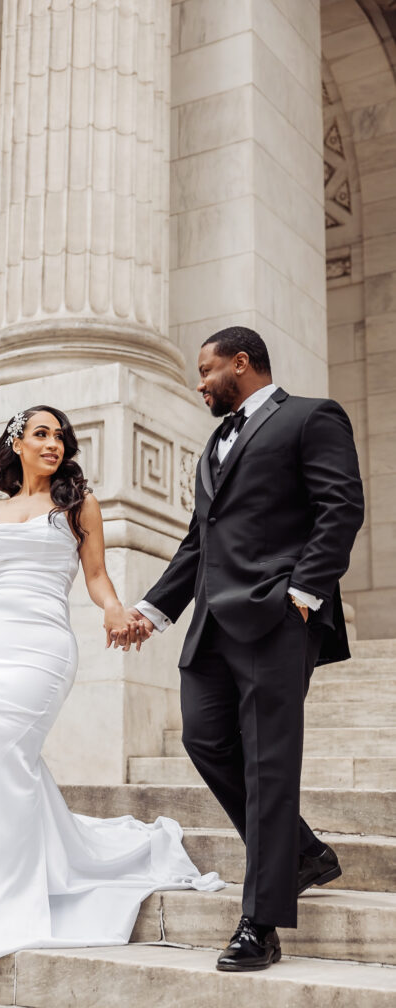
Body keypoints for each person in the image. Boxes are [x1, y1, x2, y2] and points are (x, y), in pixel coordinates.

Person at [0, 404, 223, 985]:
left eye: (60, 436)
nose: (53, 444)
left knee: (8, 759)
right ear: (16, 442)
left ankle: (7, 891)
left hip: (42, 652)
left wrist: (117, 611)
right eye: (41, 434)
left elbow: (95, 577)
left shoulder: (78, 505)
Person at [127, 327, 364, 972]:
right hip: (211, 625)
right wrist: (152, 611)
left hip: (277, 618)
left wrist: (304, 594)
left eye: (206, 370)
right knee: (205, 739)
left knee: (268, 763)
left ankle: (261, 923)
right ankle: (302, 853)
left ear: (241, 363)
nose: (199, 383)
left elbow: (341, 506)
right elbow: (197, 540)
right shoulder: (215, 441)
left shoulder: (311, 417)